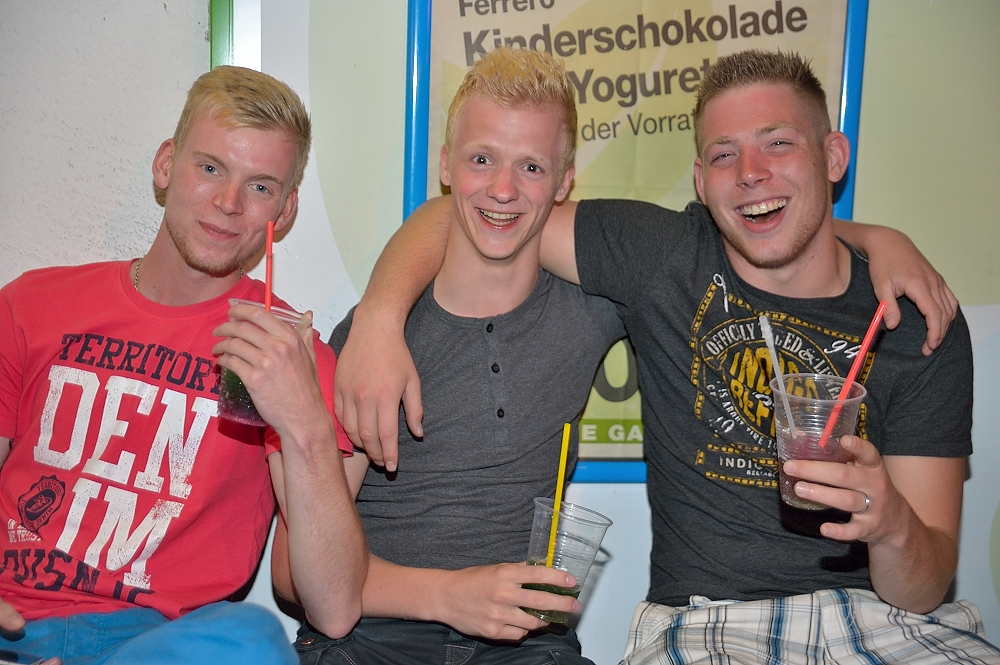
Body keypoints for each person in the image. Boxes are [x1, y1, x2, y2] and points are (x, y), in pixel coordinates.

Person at [334, 49, 1000, 664]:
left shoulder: (916, 323)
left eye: (778, 143)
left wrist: (892, 527)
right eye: (725, 154)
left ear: (832, 156)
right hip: (714, 626)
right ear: (702, 181)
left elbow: (923, 587)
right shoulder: (662, 258)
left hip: (884, 623)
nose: (751, 173)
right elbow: (475, 212)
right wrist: (379, 321)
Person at [0, 66, 367, 665]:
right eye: (211, 168)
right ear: (166, 165)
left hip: (152, 644)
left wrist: (304, 423)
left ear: (285, 211)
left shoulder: (291, 354)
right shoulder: (32, 304)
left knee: (251, 638)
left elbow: (334, 609)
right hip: (9, 624)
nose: (228, 204)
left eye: (260, 186)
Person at [273, 48, 624, 665]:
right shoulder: (372, 338)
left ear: (565, 183)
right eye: (481, 159)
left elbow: (713, 257)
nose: (503, 189)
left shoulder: (593, 308)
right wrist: (447, 596)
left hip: (526, 645)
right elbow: (290, 574)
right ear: (445, 165)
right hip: (372, 639)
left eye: (532, 166)